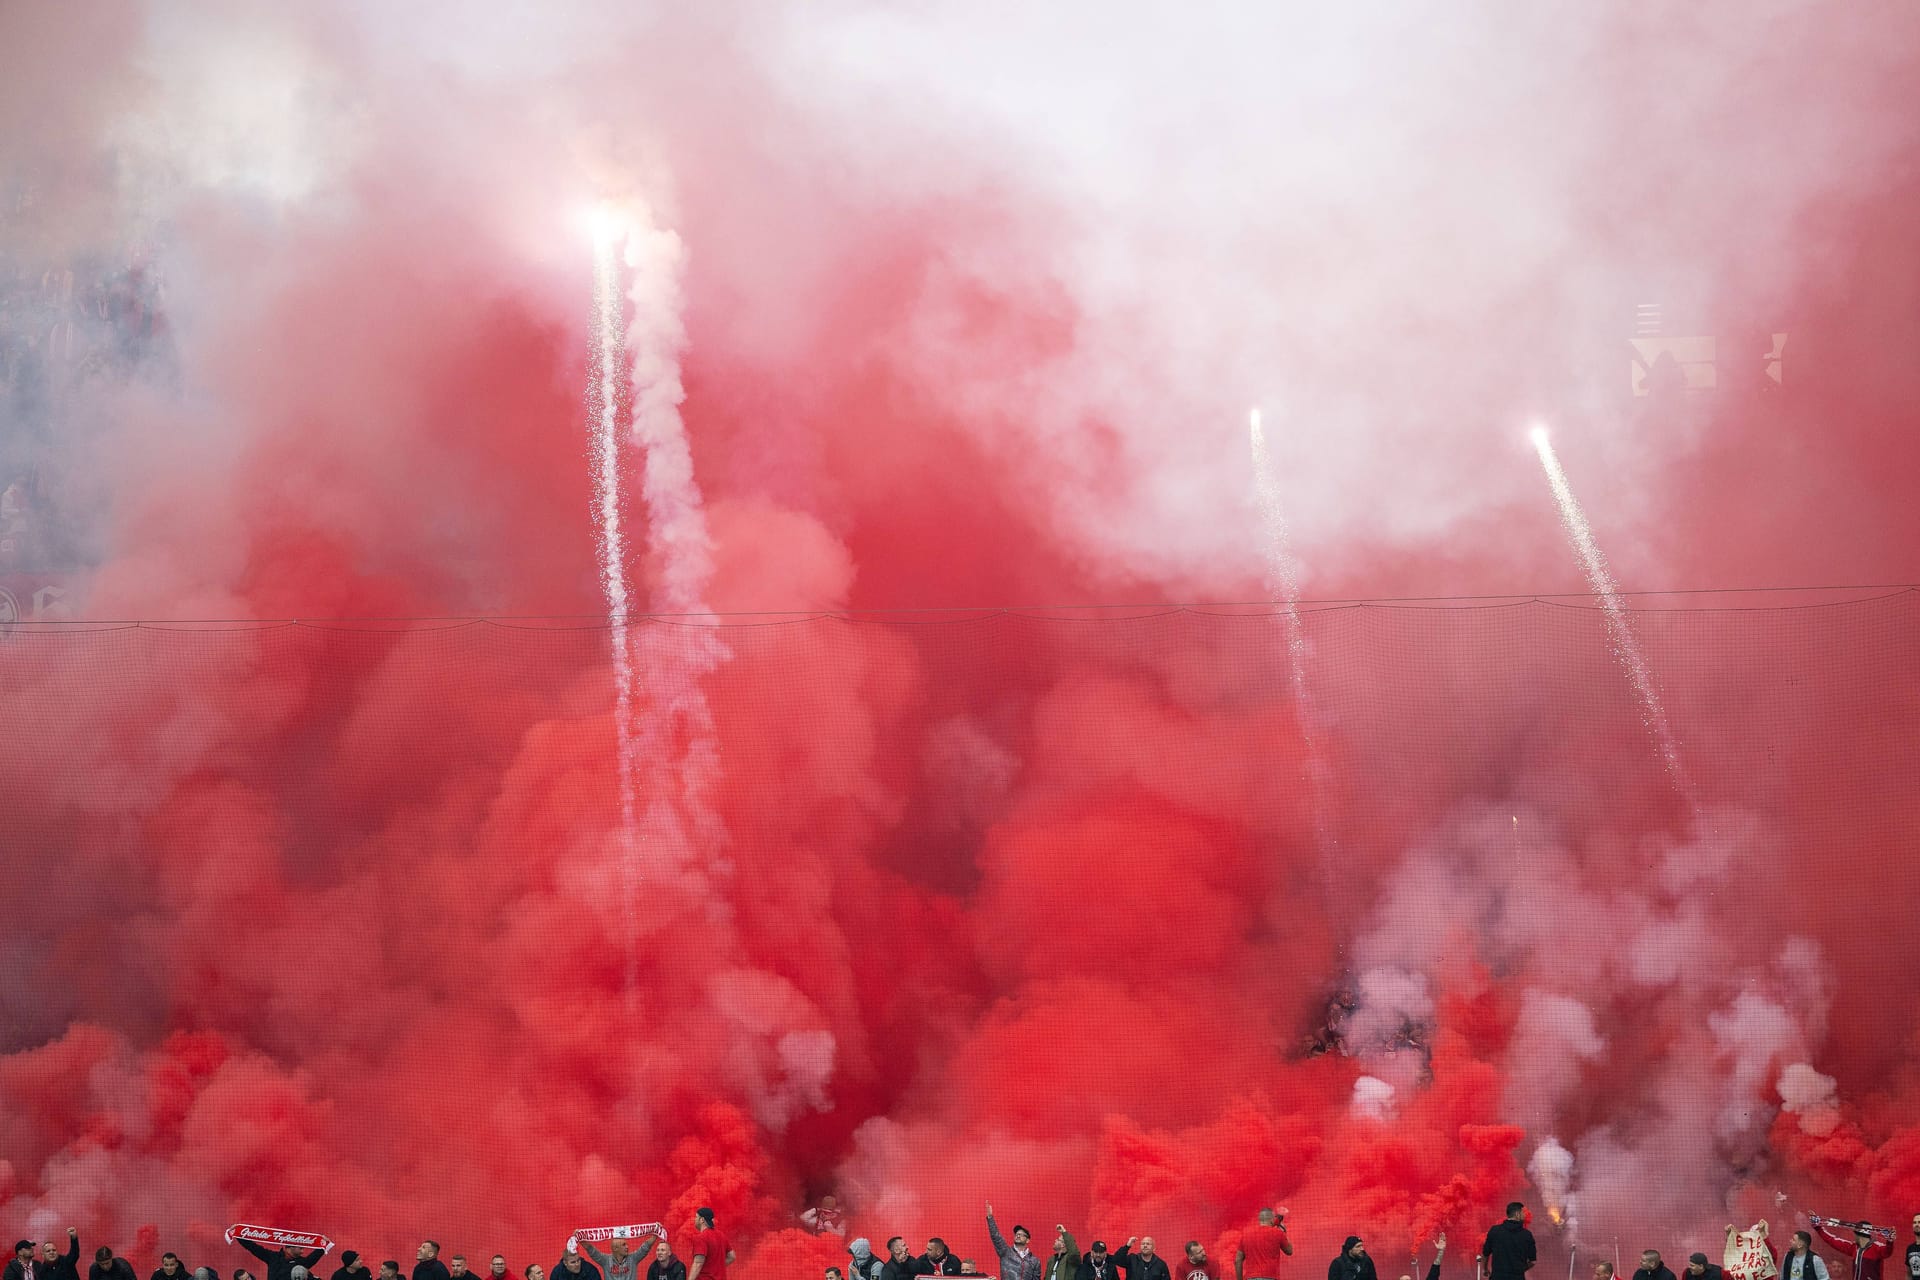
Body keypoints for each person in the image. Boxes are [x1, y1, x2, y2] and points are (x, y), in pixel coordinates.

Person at [1811, 1225, 1891, 1280]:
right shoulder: (1853, 1248)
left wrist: (1890, 1241)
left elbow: (1888, 1252)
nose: (1854, 1236)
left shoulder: (1877, 1248)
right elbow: (1832, 1240)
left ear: (1859, 1235)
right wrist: (1818, 1228)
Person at [1478, 1206, 1536, 1280]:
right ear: (1518, 1215)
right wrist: (1519, 1271)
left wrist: (1485, 1269)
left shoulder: (1495, 1231)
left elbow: (1485, 1254)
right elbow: (1533, 1261)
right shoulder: (1526, 1235)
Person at [987, 1208, 1042, 1280]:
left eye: (1022, 1234)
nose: (1018, 1235)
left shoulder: (1035, 1261)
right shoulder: (1006, 1252)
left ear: (1027, 1240)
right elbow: (996, 1236)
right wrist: (990, 1218)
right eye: (1017, 1234)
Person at [1239, 1211, 1295, 1280]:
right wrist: (1284, 1232)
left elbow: (1238, 1260)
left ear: (1260, 1220)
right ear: (1272, 1220)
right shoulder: (1278, 1233)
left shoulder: (1246, 1235)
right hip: (1270, 1277)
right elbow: (1289, 1251)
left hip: (1251, 1277)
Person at [238, 1240, 326, 1280]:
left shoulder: (301, 1262)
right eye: (301, 1248)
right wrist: (238, 1235)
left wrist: (323, 1246)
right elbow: (254, 1248)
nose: (303, 1251)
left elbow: (313, 1258)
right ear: (290, 1248)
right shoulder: (273, 1257)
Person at [685, 1210, 732, 1280]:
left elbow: (698, 1263)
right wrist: (716, 1268)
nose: (694, 1219)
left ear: (702, 1220)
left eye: (696, 1217)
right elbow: (732, 1256)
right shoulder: (721, 1236)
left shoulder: (700, 1238)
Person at [578, 1240, 645, 1280]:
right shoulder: (606, 1260)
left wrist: (654, 1234)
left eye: (626, 1244)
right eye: (624, 1245)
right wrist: (581, 1239)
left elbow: (645, 1248)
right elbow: (592, 1251)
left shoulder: (633, 1258)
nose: (627, 1247)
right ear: (615, 1248)